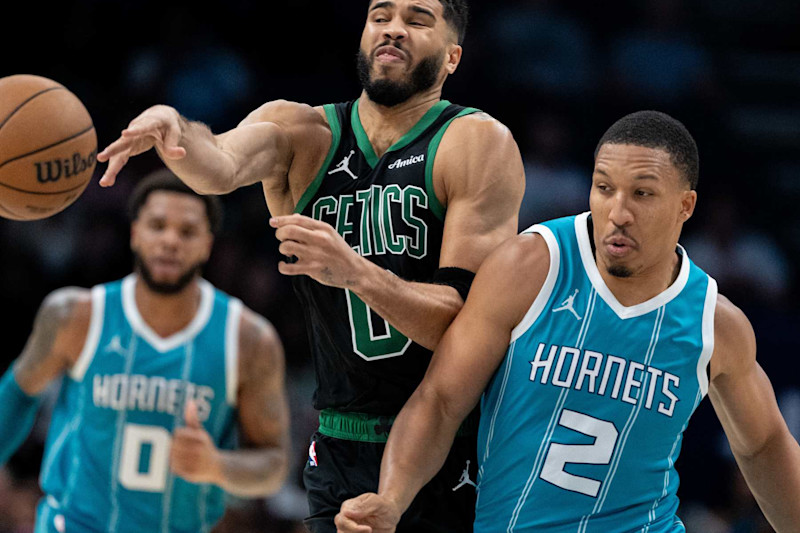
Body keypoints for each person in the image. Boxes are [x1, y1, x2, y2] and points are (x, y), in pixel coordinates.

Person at [96, 1, 525, 531]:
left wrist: (357, 273)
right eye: (380, 15)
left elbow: (460, 325)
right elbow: (219, 165)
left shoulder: (475, 142)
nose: (393, 29)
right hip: (339, 441)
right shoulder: (300, 131)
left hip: (455, 444)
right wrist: (173, 127)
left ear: (453, 56)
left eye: (417, 20)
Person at [334, 111, 800, 533]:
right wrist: (391, 499)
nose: (618, 214)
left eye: (642, 194)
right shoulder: (532, 265)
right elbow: (440, 401)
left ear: (685, 205)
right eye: (604, 188)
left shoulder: (714, 323)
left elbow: (763, 446)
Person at [0, 169, 291, 533]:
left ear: (207, 244)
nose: (170, 240)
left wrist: (216, 465)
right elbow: (16, 394)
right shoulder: (76, 315)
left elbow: (274, 464)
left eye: (187, 232)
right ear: (135, 234)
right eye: (157, 226)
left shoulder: (249, 340)